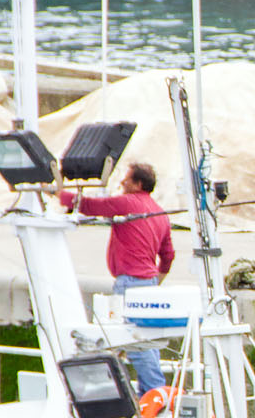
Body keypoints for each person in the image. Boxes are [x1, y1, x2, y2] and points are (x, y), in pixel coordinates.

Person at [59, 161, 174, 395]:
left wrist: (57, 194)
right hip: (148, 283)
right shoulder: (160, 212)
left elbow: (90, 206)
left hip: (131, 283)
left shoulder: (128, 203)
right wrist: (155, 279)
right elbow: (168, 255)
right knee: (147, 342)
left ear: (138, 184)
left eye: (127, 179)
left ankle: (155, 394)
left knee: (135, 343)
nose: (122, 182)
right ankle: (150, 397)